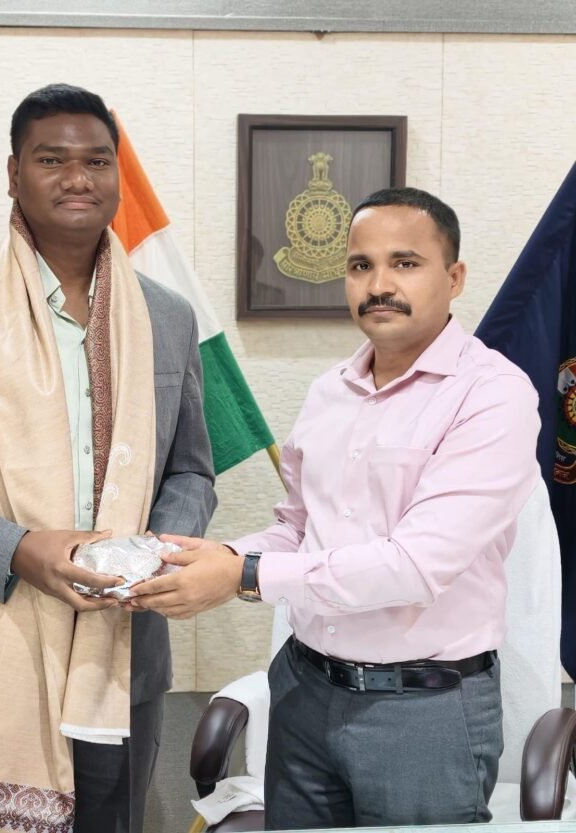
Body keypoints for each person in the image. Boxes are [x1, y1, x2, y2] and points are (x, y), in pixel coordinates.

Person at [128, 187, 541, 829]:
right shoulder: (331, 391)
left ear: (454, 278)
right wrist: (214, 555)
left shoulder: (493, 396)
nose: (379, 285)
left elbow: (415, 565)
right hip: (305, 692)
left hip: (422, 714)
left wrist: (241, 576)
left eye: (405, 263)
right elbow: (300, 528)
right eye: (360, 266)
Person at [0, 83, 216, 833]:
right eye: (51, 160)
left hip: (120, 634)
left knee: (112, 820)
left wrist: (152, 554)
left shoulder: (165, 315)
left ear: (116, 176)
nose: (76, 178)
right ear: (13, 173)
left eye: (96, 161)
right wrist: (18, 549)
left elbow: (191, 469)